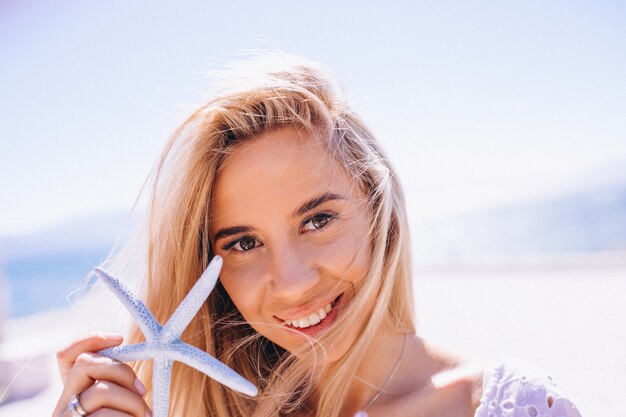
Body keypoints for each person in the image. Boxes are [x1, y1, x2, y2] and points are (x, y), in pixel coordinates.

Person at [52, 54, 582, 417]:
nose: (292, 282)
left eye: (317, 220)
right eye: (243, 243)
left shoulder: (505, 404)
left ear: (378, 212)